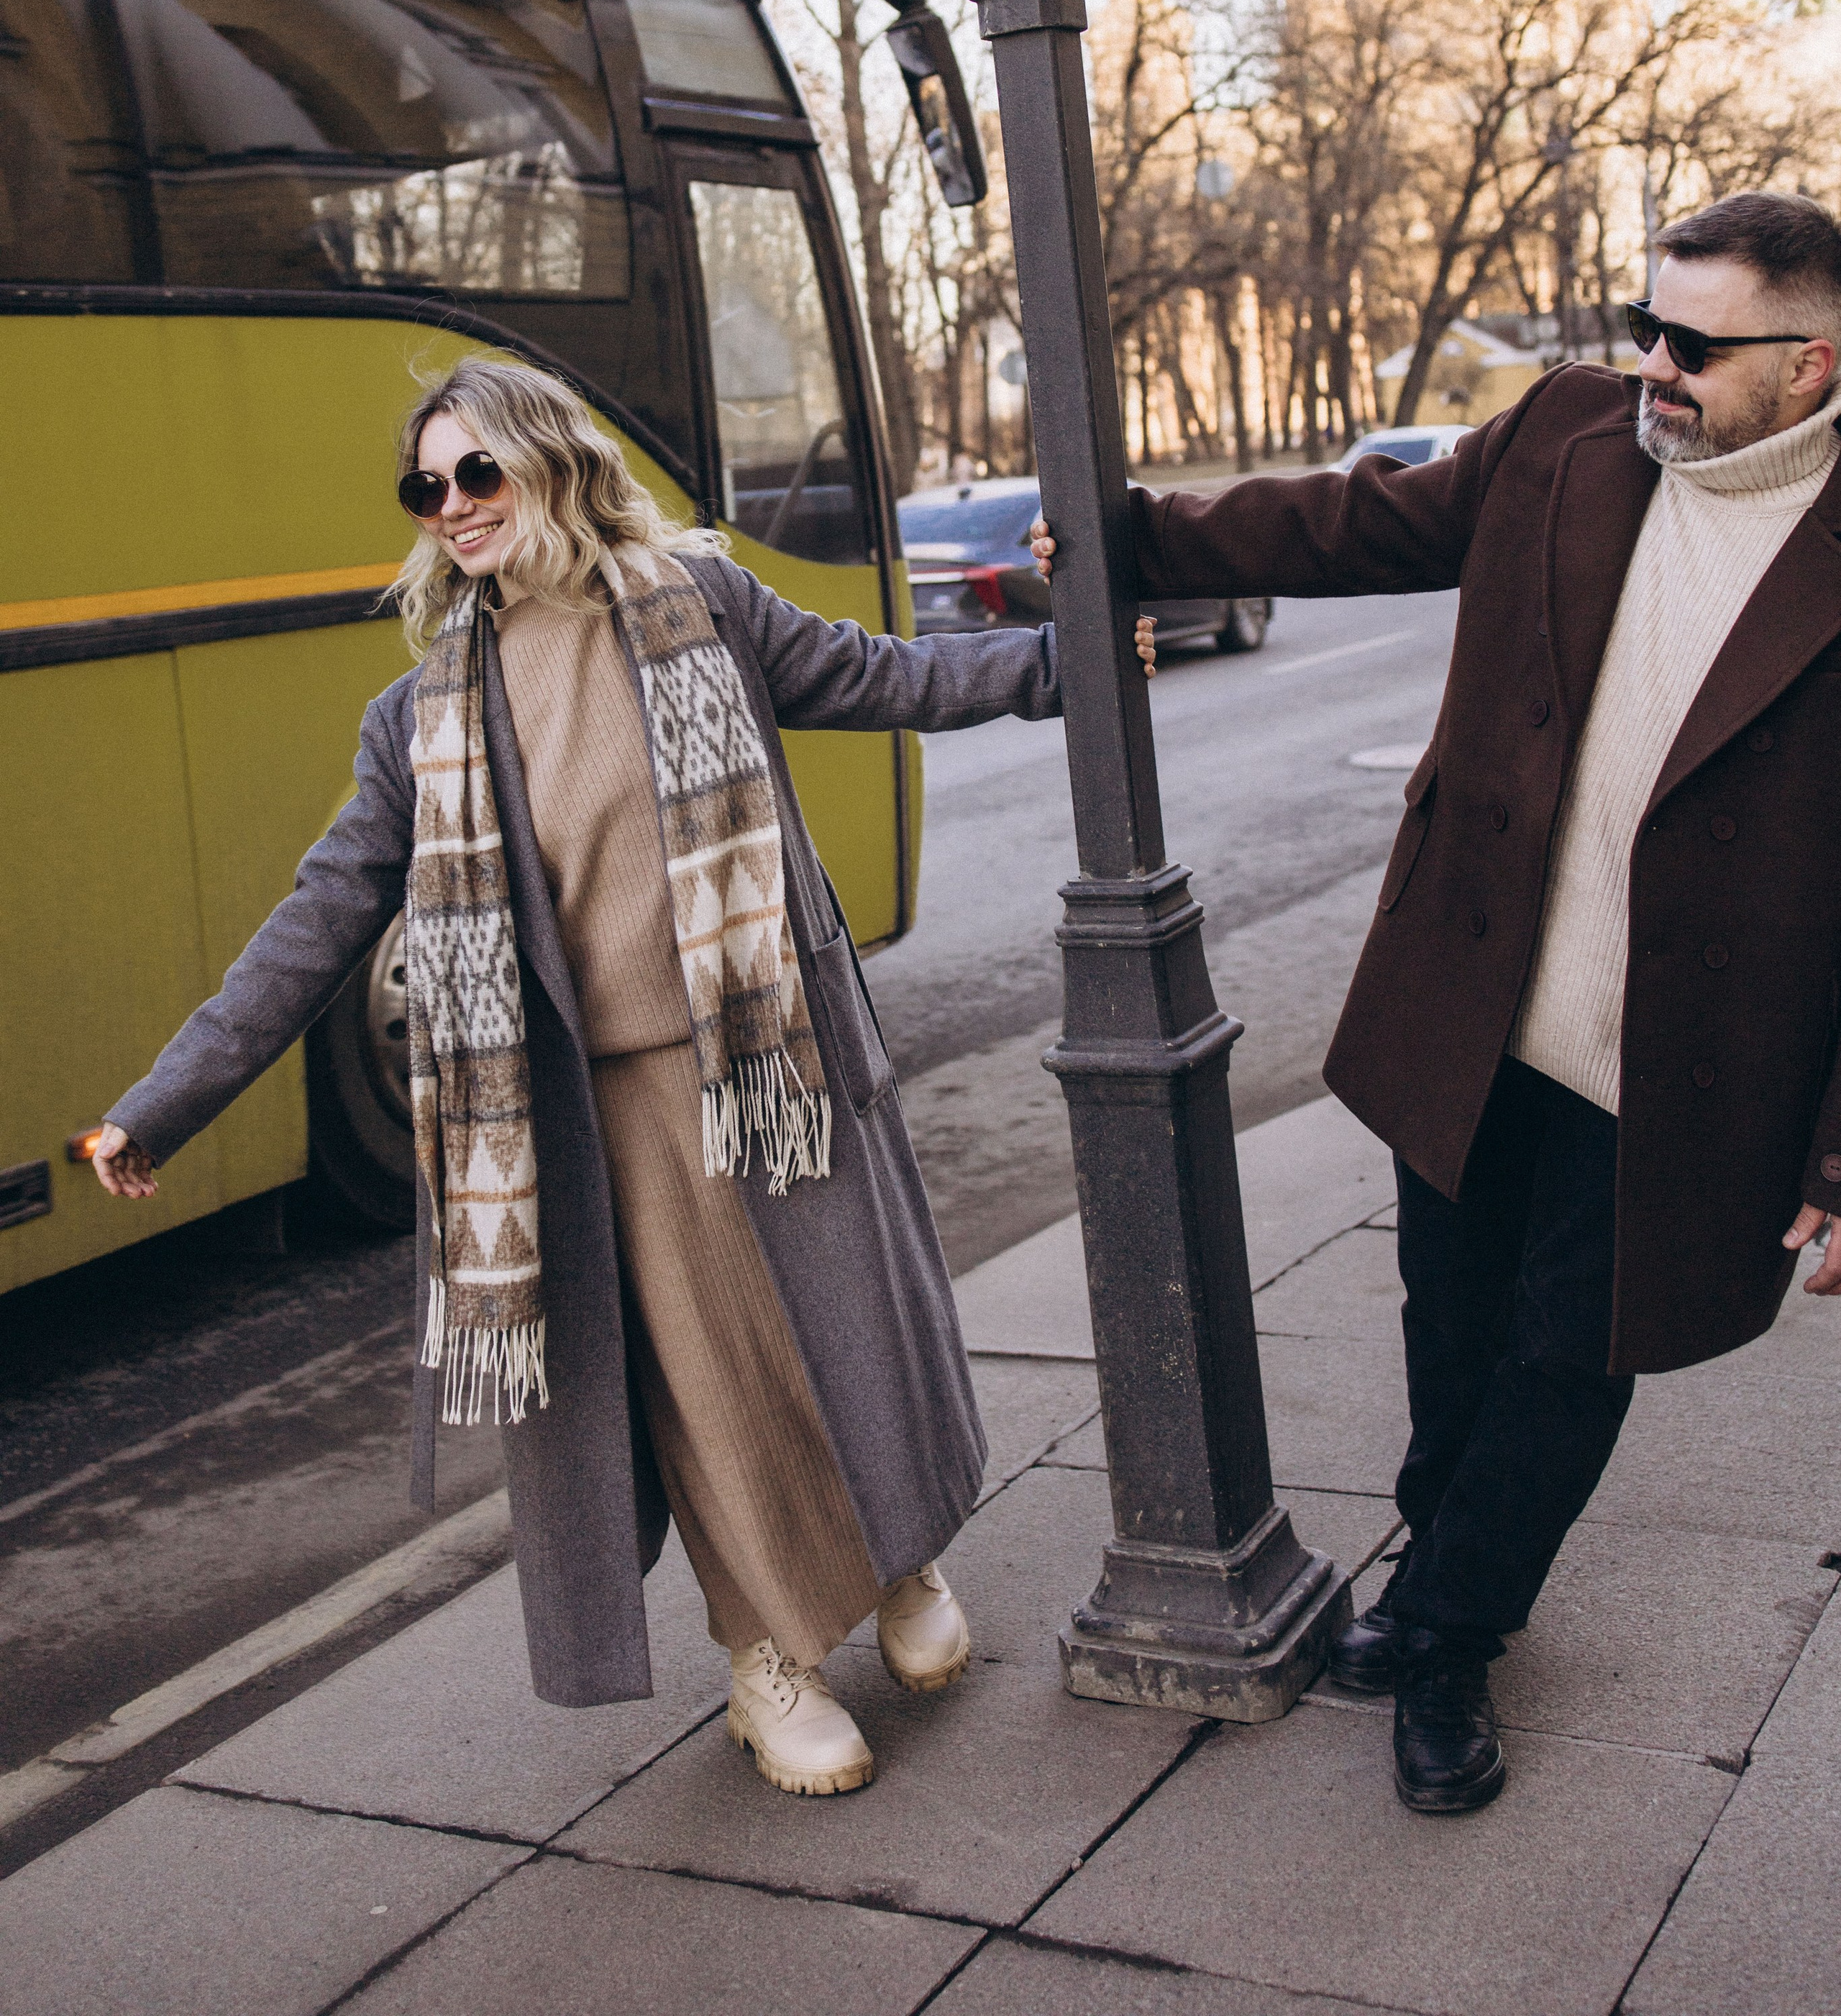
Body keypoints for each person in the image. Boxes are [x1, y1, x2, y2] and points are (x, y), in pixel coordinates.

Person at [96, 354, 1075, 1800]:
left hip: (767, 1063)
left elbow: (885, 677)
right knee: (711, 1390)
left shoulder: (704, 611)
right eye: (425, 488)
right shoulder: (421, 720)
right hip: (596, 1114)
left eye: (475, 473)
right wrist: (163, 1102)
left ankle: (899, 1559)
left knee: (840, 1340)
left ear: (550, 462)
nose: (452, 507)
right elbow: (314, 923)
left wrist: (1066, 654)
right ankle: (767, 1657)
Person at [1033, 189, 1841, 1817]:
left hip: (1684, 1058)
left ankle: (1446, 1635)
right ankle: (1437, 1558)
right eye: (1641, 329)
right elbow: (1361, 523)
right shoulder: (1564, 433)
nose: (1651, 371)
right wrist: (1136, 531)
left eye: (1692, 346)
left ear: (1811, 362)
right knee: (1447, 1324)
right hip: (1475, 998)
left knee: (1565, 1359)